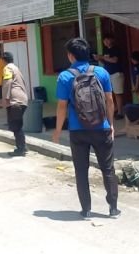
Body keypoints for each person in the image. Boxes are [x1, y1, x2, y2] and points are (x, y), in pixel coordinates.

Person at [52, 38, 119, 220]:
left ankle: (86, 209)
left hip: (77, 130)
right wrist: (111, 124)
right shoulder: (102, 72)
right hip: (101, 127)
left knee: (81, 170)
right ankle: (113, 208)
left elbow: (61, 106)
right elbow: (110, 101)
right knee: (108, 168)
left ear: (71, 56)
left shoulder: (65, 76)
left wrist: (58, 130)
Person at [1, 52, 30, 156]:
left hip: (15, 100)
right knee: (17, 124)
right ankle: (22, 146)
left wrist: (5, 98)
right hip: (22, 100)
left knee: (15, 125)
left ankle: (21, 149)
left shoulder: (7, 68)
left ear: (3, 60)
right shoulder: (16, 68)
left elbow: (7, 83)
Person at [95, 35, 125, 119]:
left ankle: (120, 112)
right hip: (108, 74)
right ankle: (114, 109)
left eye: (108, 39)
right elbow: (106, 62)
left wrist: (102, 57)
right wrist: (99, 59)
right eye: (104, 40)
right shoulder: (106, 50)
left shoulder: (116, 49)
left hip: (116, 73)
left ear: (112, 40)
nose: (106, 41)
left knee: (118, 93)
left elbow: (114, 60)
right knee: (109, 93)